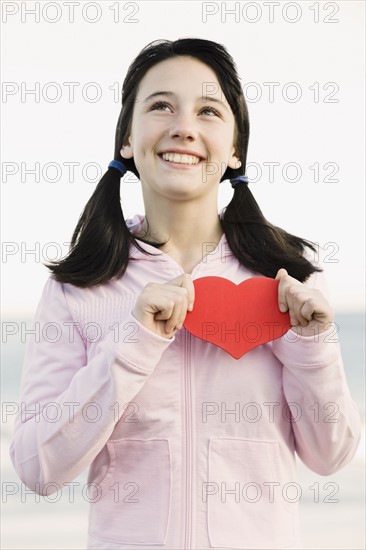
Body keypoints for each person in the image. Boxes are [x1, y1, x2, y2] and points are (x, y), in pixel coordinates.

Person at [10, 38, 361, 550]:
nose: (184, 127)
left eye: (208, 111)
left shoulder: (289, 277)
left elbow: (331, 456)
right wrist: (131, 348)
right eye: (160, 106)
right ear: (127, 138)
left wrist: (313, 348)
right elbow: (38, 467)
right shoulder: (79, 286)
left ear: (235, 147)